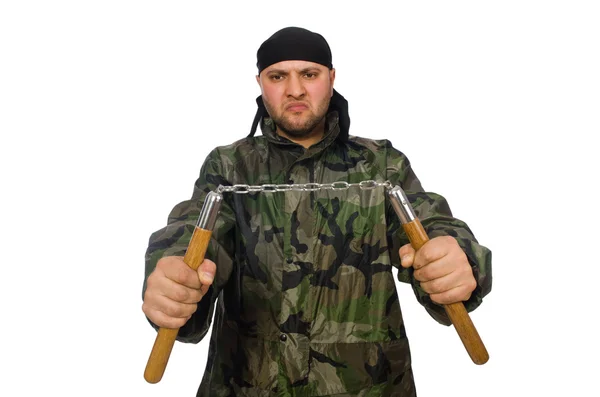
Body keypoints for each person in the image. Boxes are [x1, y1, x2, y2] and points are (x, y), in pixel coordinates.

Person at [142, 26, 492, 397]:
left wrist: (458, 258)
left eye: (309, 74)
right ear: (260, 82)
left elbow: (430, 225)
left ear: (331, 78)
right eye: (278, 76)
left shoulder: (381, 164)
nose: (295, 89)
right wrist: (172, 273)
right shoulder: (230, 167)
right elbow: (193, 231)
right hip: (247, 386)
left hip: (367, 386)